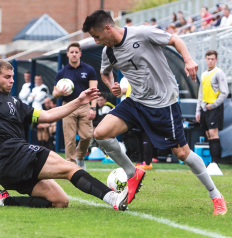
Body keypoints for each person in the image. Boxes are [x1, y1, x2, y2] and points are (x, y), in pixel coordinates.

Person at [82, 10, 227, 215]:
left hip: (163, 103)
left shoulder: (141, 33)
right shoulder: (108, 51)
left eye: (96, 36)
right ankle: (132, 173)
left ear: (107, 28)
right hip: (136, 102)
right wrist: (112, 84)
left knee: (182, 153)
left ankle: (216, 196)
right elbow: (105, 72)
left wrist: (188, 60)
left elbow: (175, 39)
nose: (96, 41)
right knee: (101, 133)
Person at [0, 59, 129, 211]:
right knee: (69, 167)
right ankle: (112, 197)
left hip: (10, 165)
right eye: (7, 77)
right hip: (12, 153)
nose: (12, 80)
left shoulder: (15, 101)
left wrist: (79, 101)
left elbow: (47, 116)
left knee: (60, 201)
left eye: (12, 76)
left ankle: (6, 201)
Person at [53, 42, 98, 170]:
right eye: (71, 52)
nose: (74, 54)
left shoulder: (89, 69)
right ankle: (71, 166)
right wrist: (59, 92)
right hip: (68, 106)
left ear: (80, 54)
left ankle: (80, 156)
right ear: (67, 54)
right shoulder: (61, 73)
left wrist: (93, 107)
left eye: (76, 52)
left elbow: (94, 90)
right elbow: (55, 93)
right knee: (69, 139)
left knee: (87, 135)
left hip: (84, 106)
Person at [196, 50, 229, 165]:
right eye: (208, 59)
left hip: (214, 108)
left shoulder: (219, 73)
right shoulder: (203, 74)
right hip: (204, 108)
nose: (210, 61)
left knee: (213, 133)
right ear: (205, 59)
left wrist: (213, 105)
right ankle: (211, 162)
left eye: (212, 59)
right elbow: (201, 94)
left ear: (216, 60)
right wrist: (198, 111)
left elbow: (225, 92)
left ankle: (215, 162)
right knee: (208, 134)